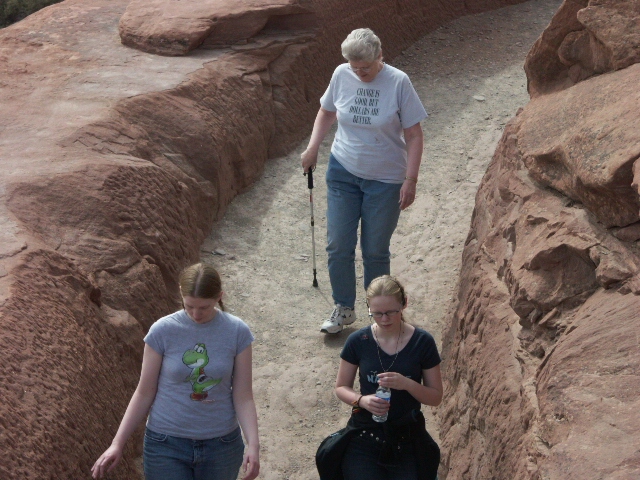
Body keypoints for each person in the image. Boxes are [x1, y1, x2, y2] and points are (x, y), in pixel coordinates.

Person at [301, 28, 428, 334]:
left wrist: (410, 179)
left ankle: (379, 313)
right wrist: (313, 147)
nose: (359, 73)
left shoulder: (398, 82)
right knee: (338, 245)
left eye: (366, 68)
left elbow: (414, 134)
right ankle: (344, 308)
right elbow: (327, 111)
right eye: (355, 67)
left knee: (374, 250)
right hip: (343, 172)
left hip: (385, 180)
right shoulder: (341, 74)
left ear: (380, 56)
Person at [91, 263, 260, 480]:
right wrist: (117, 443)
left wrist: (253, 445)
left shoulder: (237, 332)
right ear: (181, 293)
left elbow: (243, 396)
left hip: (221, 445)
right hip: (165, 444)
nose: (196, 314)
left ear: (219, 297)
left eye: (204, 307)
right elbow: (144, 392)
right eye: (189, 306)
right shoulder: (162, 331)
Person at [322, 275, 442, 479]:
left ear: (404, 304)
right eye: (377, 313)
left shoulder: (422, 342)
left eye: (390, 312)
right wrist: (362, 400)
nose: (384, 319)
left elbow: (435, 397)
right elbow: (341, 387)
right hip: (365, 432)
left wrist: (407, 384)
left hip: (406, 435)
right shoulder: (358, 341)